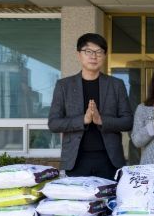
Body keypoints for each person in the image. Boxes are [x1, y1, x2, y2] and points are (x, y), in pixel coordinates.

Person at [48, 33, 132, 180]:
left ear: (104, 56)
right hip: (76, 160)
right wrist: (83, 120)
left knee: (110, 195)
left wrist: (101, 120)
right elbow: (54, 123)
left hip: (109, 160)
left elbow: (128, 121)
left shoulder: (116, 85)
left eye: (99, 52)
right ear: (79, 54)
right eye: (88, 51)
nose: (94, 56)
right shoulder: (64, 86)